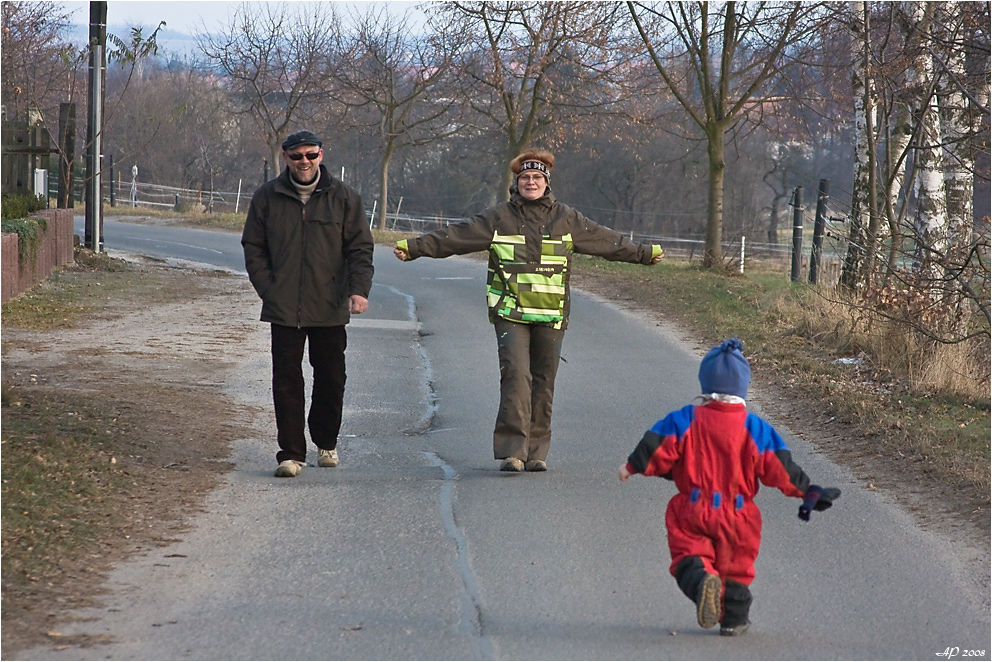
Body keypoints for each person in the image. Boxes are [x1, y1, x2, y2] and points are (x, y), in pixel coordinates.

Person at [393, 148, 664, 472]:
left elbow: (607, 241)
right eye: (525, 177)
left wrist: (645, 253)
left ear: (546, 181)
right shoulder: (499, 218)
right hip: (510, 312)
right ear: (516, 183)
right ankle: (512, 452)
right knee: (515, 377)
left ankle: (536, 452)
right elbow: (455, 237)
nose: (531, 182)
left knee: (543, 381)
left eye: (537, 177)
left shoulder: (566, 218)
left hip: (551, 314)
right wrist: (415, 247)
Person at [618, 338, 840, 636]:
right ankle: (733, 620)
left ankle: (700, 582)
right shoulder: (756, 429)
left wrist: (632, 466)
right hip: (740, 517)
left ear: (704, 385)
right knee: (736, 568)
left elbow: (658, 445)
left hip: (694, 508)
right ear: (743, 389)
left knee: (688, 552)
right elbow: (781, 468)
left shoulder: (686, 419)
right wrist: (809, 491)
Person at [242, 129, 375, 478]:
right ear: (285, 158)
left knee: (331, 378)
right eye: (297, 156)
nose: (305, 162)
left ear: (321, 155)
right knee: (286, 380)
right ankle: (290, 453)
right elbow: (253, 248)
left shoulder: (345, 198)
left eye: (311, 155)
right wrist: (268, 289)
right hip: (283, 306)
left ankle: (326, 442)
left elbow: (360, 249)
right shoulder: (266, 198)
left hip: (330, 305)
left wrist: (358, 290)